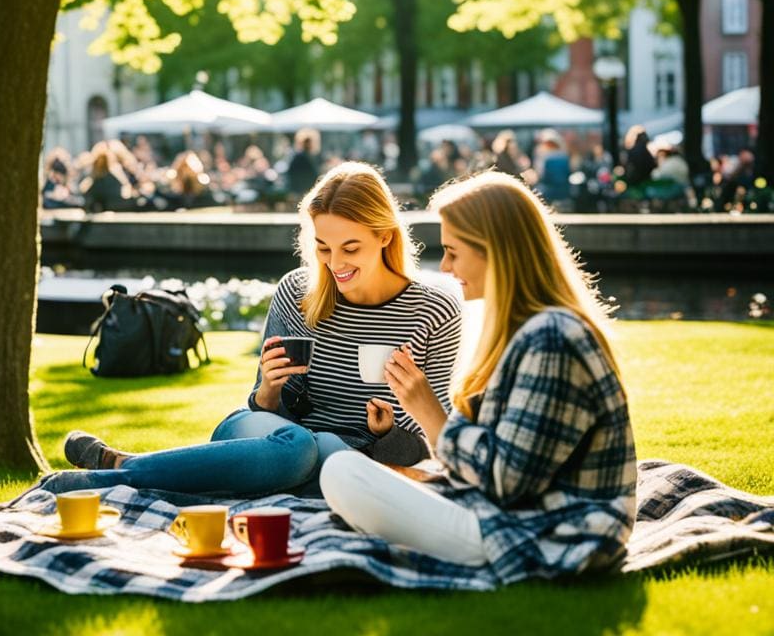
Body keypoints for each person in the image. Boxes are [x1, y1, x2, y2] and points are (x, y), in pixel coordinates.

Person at [59, 162, 463, 496]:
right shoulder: (296, 291)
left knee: (326, 451)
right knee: (302, 447)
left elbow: (427, 446)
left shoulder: (432, 311)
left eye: (350, 248)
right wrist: (268, 390)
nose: (335, 262)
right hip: (271, 441)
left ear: (384, 236)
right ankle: (124, 471)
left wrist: (388, 430)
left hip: (354, 461)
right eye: (323, 247)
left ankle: (122, 469)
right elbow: (260, 412)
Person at [321, 171, 636, 580]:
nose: (447, 266)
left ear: (495, 252)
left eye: (453, 251)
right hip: (514, 515)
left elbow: (506, 481)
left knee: (341, 473)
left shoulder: (553, 338)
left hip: (550, 534)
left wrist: (429, 414)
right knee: (359, 475)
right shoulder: (525, 329)